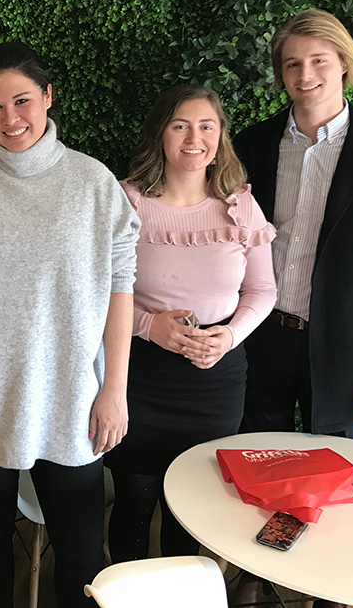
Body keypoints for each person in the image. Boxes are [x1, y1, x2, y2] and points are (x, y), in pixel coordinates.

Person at [0, 41, 140, 608]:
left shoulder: (93, 184)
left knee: (81, 550)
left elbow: (121, 288)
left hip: (72, 394)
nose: (10, 118)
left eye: (21, 100)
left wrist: (114, 389)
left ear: (47, 96)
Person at [231, 9, 353, 606]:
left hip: (345, 351)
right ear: (280, 74)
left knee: (333, 475)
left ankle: (327, 589)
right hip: (263, 338)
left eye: (319, 60)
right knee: (257, 465)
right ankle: (258, 575)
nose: (305, 75)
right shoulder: (252, 145)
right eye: (292, 63)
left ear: (345, 64)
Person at [105, 84, 276, 562]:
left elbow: (263, 291)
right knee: (134, 501)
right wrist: (149, 326)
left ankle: (179, 593)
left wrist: (230, 335)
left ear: (220, 137)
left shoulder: (240, 206)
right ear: (160, 134)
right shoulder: (126, 202)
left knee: (191, 508)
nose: (193, 138)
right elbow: (95, 294)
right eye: (180, 126)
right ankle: (128, 593)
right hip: (137, 373)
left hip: (214, 379)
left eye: (206, 126)